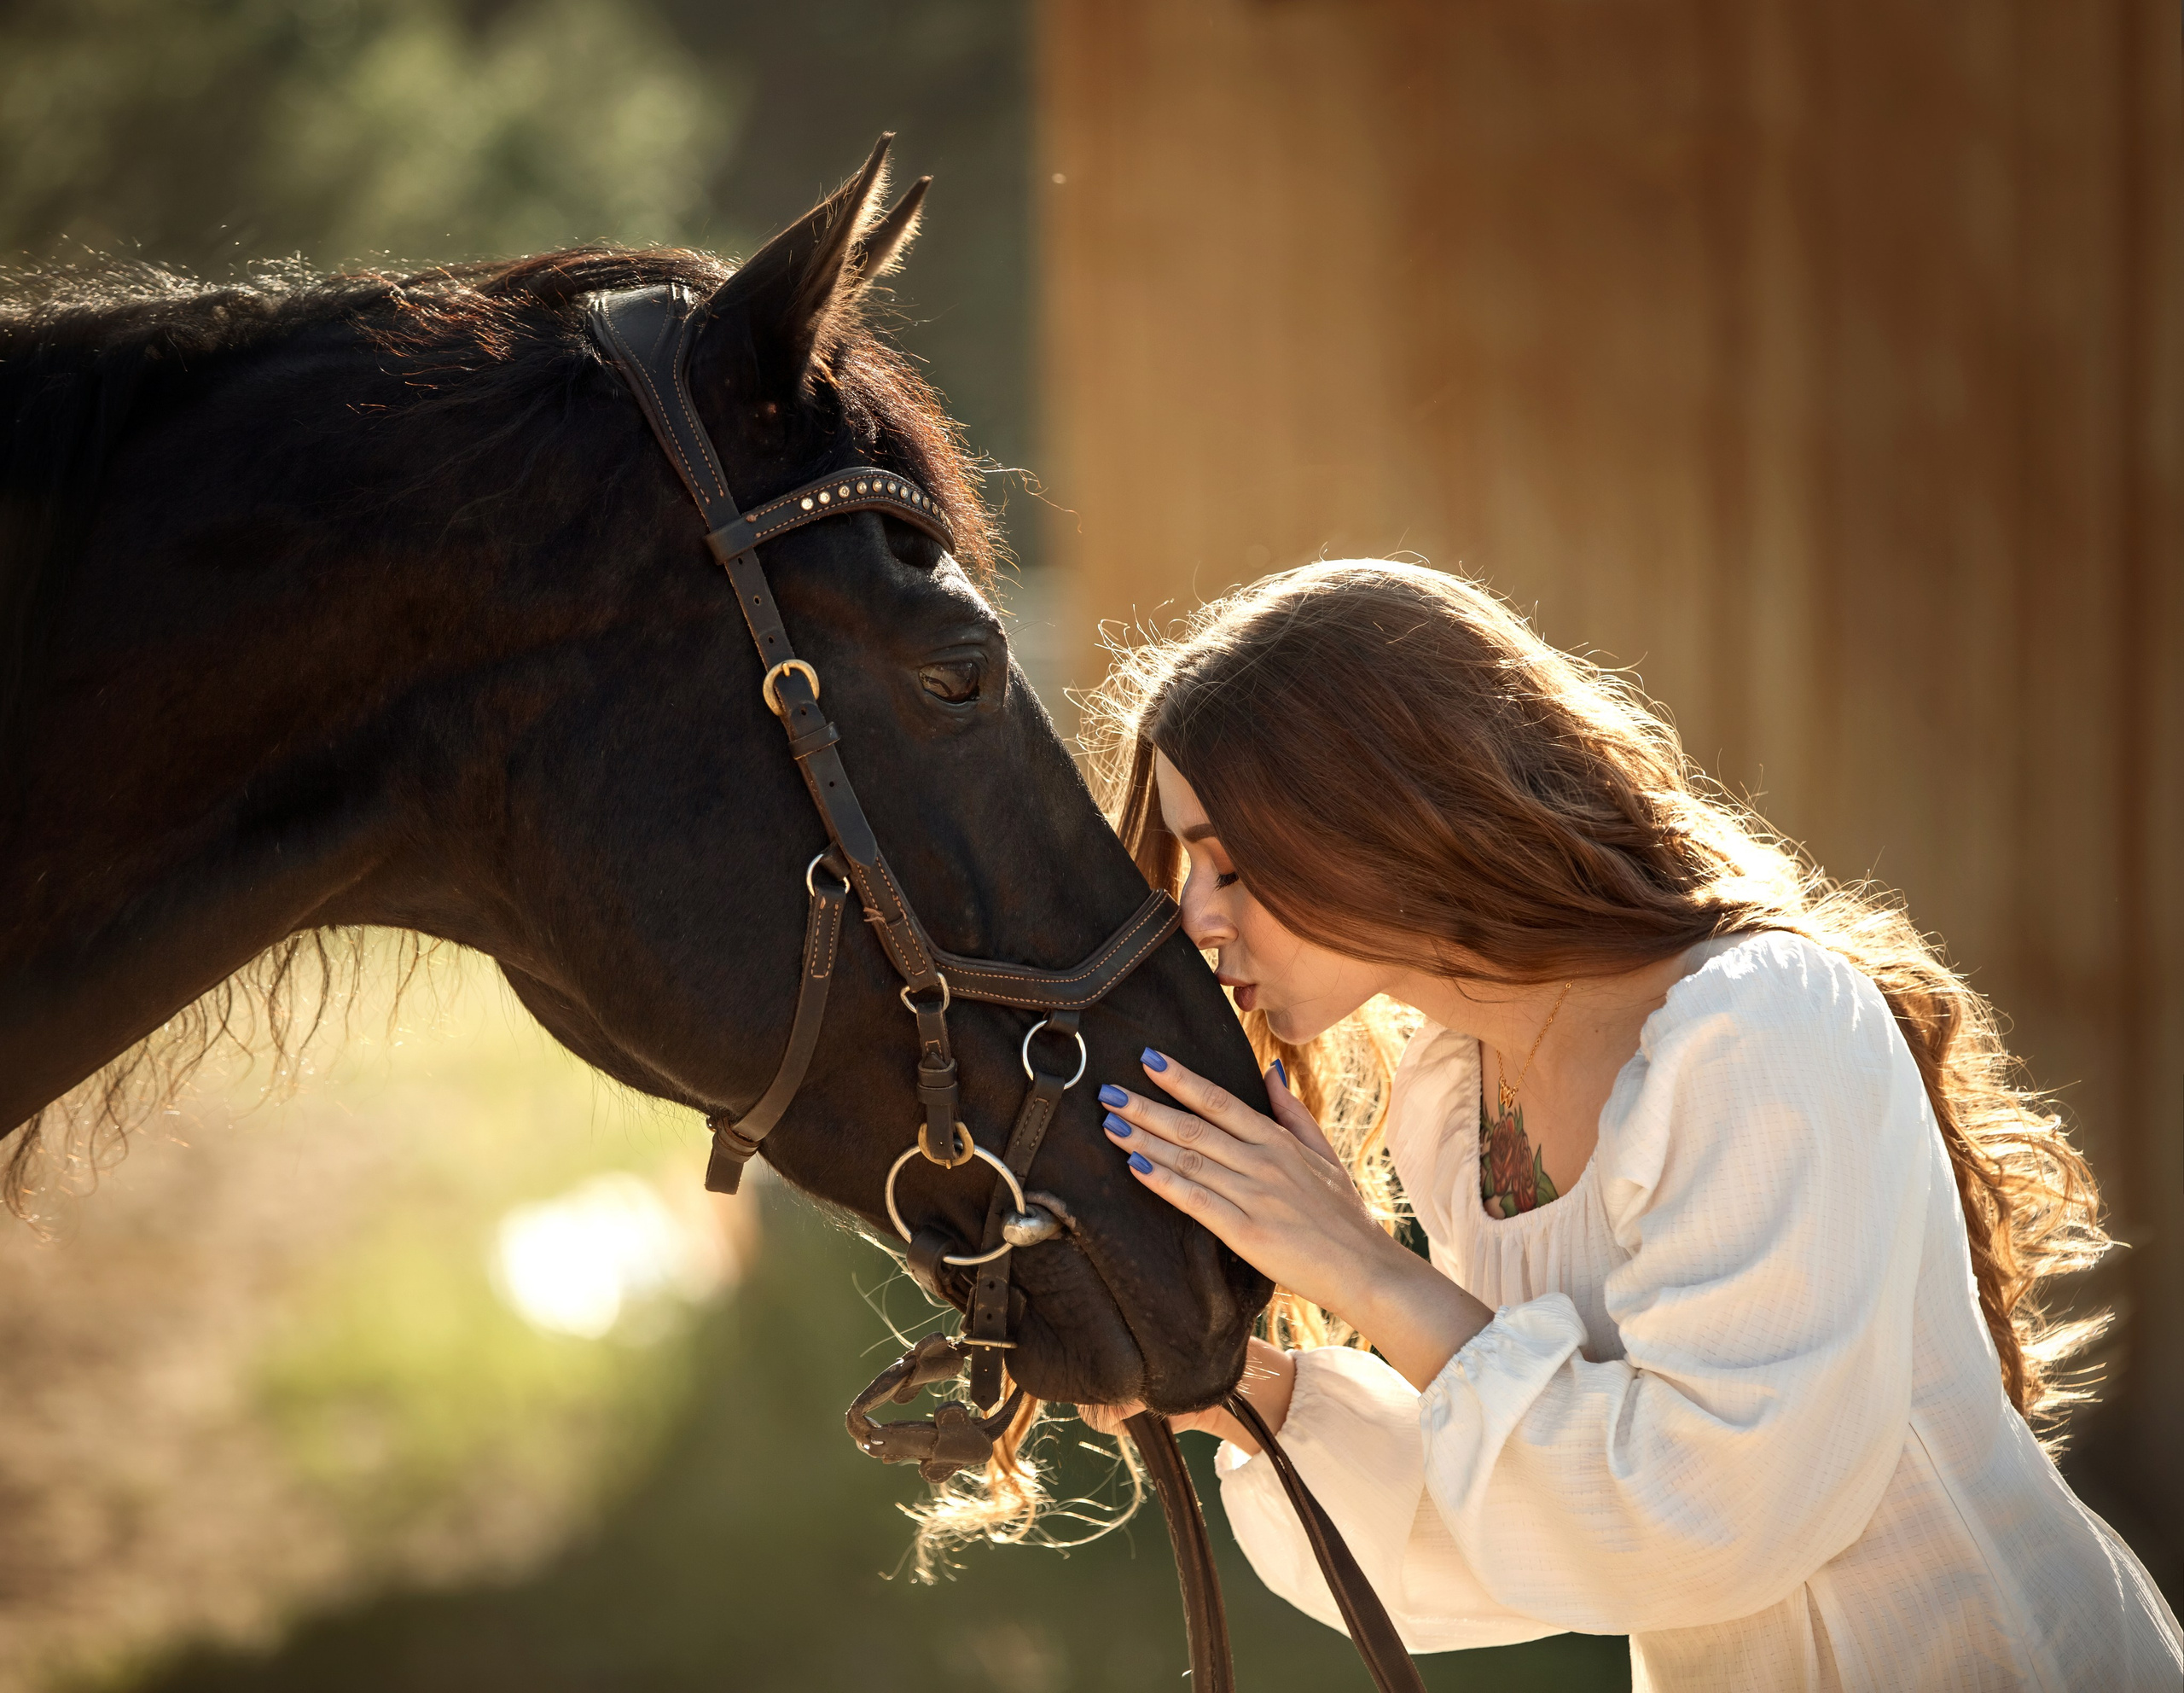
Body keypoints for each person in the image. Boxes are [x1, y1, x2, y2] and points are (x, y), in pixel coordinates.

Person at [1075, 561, 2182, 1690]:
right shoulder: (1457, 1101)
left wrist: (1362, 1266)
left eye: (1231, 858)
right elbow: (1550, 1522)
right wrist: (1249, 1395)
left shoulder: (1757, 1028)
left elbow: (1708, 1522)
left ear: (1378, 808)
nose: (1198, 916)